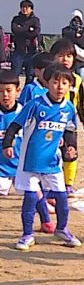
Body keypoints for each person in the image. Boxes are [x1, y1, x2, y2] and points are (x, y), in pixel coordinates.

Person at [2, 64, 81, 250]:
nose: (59, 87)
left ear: (70, 86)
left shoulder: (69, 108)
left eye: (64, 83)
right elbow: (14, 126)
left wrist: (71, 147)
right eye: (55, 82)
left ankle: (62, 229)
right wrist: (8, 144)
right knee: (30, 198)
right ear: (47, 83)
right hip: (30, 161)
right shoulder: (35, 105)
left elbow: (70, 130)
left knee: (62, 197)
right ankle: (27, 235)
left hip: (52, 162)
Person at [50, 39, 84, 194]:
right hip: (49, 124)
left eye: (69, 56)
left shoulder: (77, 80)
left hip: (69, 125)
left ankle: (68, 184)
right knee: (49, 153)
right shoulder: (48, 78)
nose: (65, 59)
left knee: (70, 152)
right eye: (61, 55)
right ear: (53, 57)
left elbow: (82, 103)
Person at [0, 69, 23, 197]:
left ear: (17, 91)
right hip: (1, 170)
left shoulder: (26, 113)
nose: (5, 95)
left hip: (23, 170)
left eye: (9, 90)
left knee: (35, 196)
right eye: (0, 91)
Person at [10, 0, 41, 82]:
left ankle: (27, 89)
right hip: (18, 51)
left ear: (31, 9)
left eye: (27, 7)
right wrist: (29, 29)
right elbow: (15, 30)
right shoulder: (16, 19)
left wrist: (22, 29)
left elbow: (36, 32)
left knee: (30, 75)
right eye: (23, 7)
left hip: (31, 51)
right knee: (15, 74)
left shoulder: (35, 20)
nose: (25, 9)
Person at [61, 9, 84, 85]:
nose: (76, 21)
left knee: (82, 76)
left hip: (80, 58)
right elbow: (66, 38)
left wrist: (75, 37)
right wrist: (76, 35)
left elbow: (82, 41)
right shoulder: (66, 29)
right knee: (69, 76)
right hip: (70, 55)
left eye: (78, 19)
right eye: (74, 19)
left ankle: (83, 91)